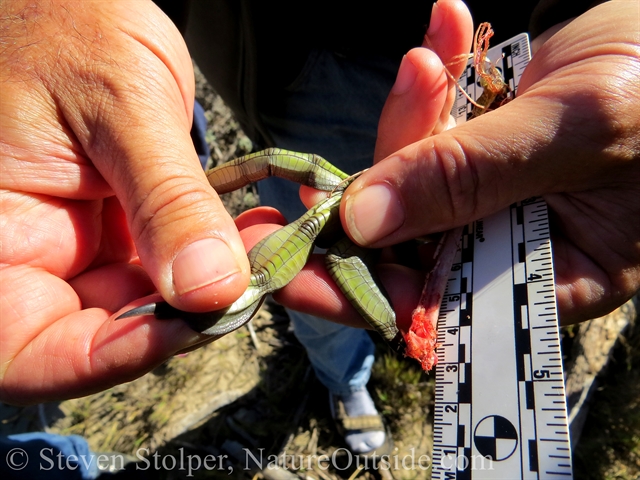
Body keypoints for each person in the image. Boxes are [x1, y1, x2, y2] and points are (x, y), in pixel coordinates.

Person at [0, 0, 638, 458]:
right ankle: (347, 384)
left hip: (518, 77)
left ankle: (377, 364)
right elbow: (274, 164)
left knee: (423, 295)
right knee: (313, 290)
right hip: (289, 72)